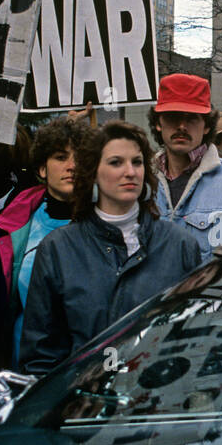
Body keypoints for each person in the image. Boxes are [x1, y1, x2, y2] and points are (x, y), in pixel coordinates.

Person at [18, 121, 202, 375]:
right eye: (116, 162)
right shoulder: (58, 248)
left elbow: (192, 342)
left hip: (152, 405)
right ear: (92, 172)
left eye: (136, 162)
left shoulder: (180, 245)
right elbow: (41, 356)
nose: (130, 172)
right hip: (82, 406)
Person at [0, 117, 92, 367]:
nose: (72, 166)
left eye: (81, 157)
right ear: (42, 169)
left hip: (88, 369)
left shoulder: (110, 223)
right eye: (61, 157)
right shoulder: (13, 225)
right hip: (26, 370)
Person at [147, 73, 222, 259]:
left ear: (206, 126)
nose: (182, 126)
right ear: (159, 123)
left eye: (191, 118)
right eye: (173, 116)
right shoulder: (140, 181)